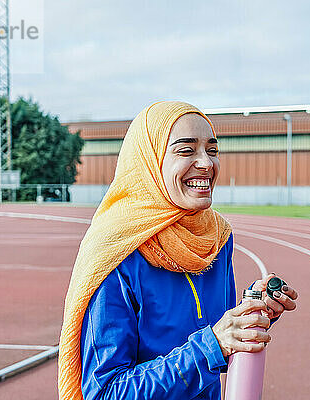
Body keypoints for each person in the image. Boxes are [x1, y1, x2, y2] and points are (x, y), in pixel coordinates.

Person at [58, 101, 297, 400]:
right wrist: (212, 345)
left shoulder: (217, 238)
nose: (207, 163)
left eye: (212, 150)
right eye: (187, 150)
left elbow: (215, 349)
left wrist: (249, 316)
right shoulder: (116, 252)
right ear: (150, 162)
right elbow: (105, 392)